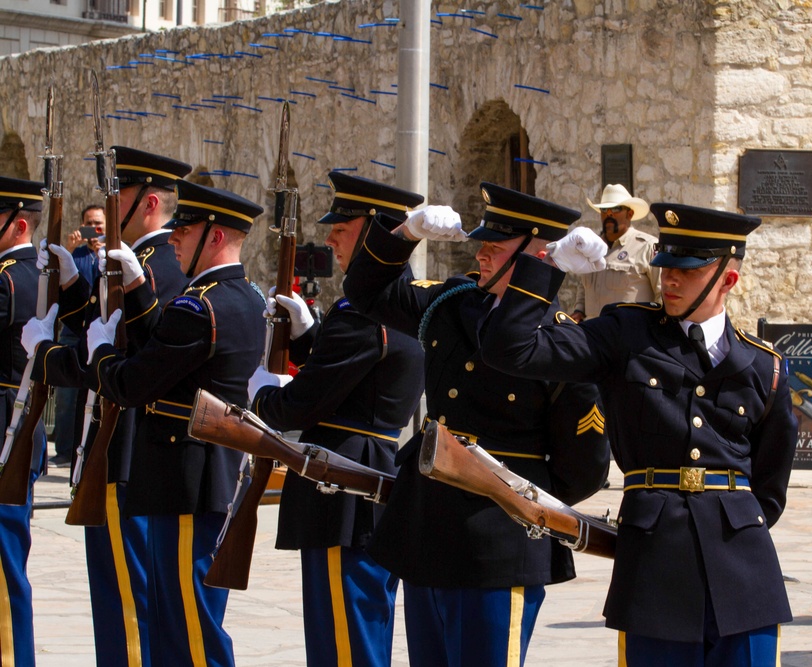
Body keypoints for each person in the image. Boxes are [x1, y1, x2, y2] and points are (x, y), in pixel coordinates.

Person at [480, 203, 798, 666]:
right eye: (666, 266)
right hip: (655, 566)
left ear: (727, 280)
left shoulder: (764, 366)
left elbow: (769, 485)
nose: (669, 279)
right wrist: (545, 269)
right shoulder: (625, 333)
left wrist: (733, 524)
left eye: (687, 271)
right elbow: (512, 351)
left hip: (744, 573)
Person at [342, 182, 610, 667]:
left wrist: (518, 502)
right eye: (483, 242)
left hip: (499, 538)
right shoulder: (452, 303)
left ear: (539, 255)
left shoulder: (561, 339)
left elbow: (584, 468)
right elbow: (364, 292)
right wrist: (402, 234)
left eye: (497, 246)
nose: (482, 254)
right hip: (428, 525)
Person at [74, 180, 261, 667]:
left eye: (187, 230)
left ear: (215, 237)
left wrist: (100, 354)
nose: (174, 237)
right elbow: (169, 357)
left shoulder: (198, 308)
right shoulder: (242, 298)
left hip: (186, 479)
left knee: (188, 628)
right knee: (179, 623)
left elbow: (136, 383)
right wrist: (137, 292)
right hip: (204, 474)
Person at [247, 172, 425, 666]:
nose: (329, 238)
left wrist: (261, 396)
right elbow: (352, 378)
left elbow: (307, 402)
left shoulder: (360, 315)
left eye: (341, 228)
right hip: (372, 469)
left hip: (340, 482)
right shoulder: (403, 303)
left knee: (341, 639)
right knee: (361, 628)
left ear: (373, 234)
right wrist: (307, 337)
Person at [23, 147, 191, 667]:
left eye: (120, 195)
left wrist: (50, 357)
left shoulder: (158, 266)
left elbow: (123, 354)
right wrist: (73, 282)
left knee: (127, 598)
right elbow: (103, 326)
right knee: (116, 593)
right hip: (115, 439)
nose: (109, 205)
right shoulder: (138, 262)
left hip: (128, 444)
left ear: (149, 201)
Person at [0, 176, 46, 667]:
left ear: (16, 224)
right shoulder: (38, 272)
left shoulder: (7, 277)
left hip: (3, 435)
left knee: (3, 564)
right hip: (19, 431)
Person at [49, 203, 107, 466]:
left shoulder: (111, 254)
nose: (94, 229)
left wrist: (102, 251)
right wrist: (69, 250)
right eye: (89, 224)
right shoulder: (78, 253)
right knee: (65, 395)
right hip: (73, 330)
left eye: (98, 224)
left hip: (99, 331)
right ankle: (63, 450)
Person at [570, 183, 659, 322]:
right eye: (604, 209)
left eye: (615, 209)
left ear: (630, 214)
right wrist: (579, 310)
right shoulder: (591, 248)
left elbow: (662, 294)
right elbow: (584, 286)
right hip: (592, 337)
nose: (609, 214)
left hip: (630, 339)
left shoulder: (647, 247)